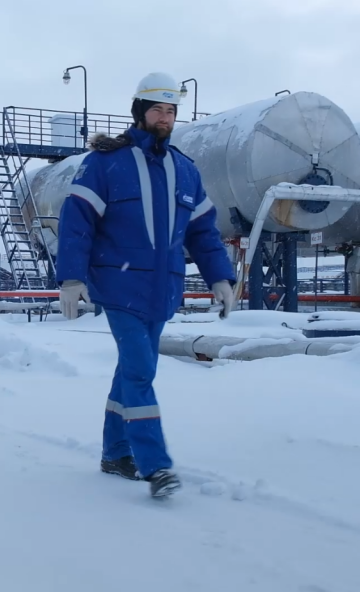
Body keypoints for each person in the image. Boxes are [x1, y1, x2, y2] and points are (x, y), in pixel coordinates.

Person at [55, 72, 237, 498]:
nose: (165, 118)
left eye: (171, 111)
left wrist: (220, 276)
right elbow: (77, 221)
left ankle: (114, 452)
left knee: (132, 370)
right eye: (157, 109)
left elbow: (203, 232)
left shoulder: (184, 170)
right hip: (118, 285)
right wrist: (71, 277)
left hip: (162, 289)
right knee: (140, 370)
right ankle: (155, 465)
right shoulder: (105, 163)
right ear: (140, 112)